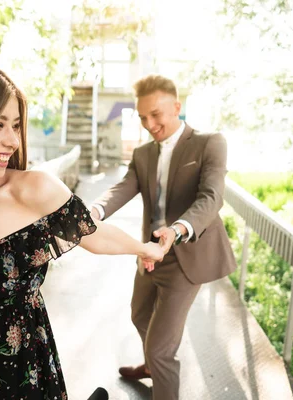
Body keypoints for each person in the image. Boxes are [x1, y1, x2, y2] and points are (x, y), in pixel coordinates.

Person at [0, 60, 166, 400]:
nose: (12, 140)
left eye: (14, 125)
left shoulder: (32, 190)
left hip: (16, 374)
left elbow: (95, 234)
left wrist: (146, 249)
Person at [90, 75, 237, 400]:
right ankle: (150, 365)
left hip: (187, 256)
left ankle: (156, 364)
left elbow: (211, 197)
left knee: (161, 349)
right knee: (139, 315)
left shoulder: (209, 142)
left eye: (155, 114)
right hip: (150, 252)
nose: (149, 124)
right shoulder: (143, 154)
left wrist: (178, 229)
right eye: (142, 117)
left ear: (176, 107)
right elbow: (121, 189)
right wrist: (93, 212)